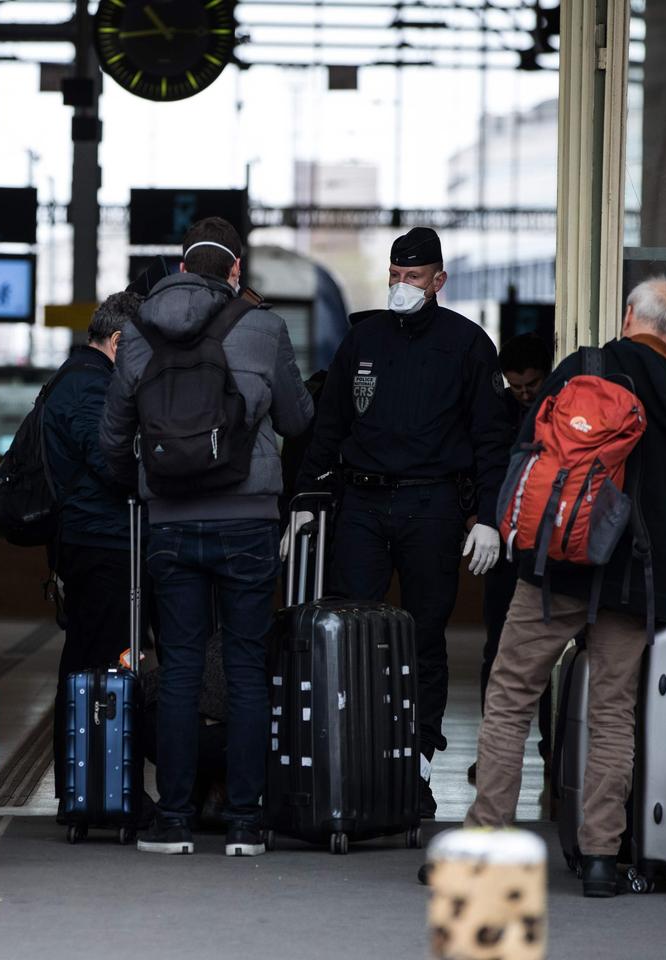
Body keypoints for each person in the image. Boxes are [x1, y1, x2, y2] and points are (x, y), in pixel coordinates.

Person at [462, 276, 666, 898]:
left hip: (560, 566)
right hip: (638, 579)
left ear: (627, 314)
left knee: (510, 697)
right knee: (612, 715)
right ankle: (602, 858)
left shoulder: (587, 367)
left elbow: (530, 454)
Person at [99, 216, 314, 857]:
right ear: (236, 270)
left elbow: (112, 433)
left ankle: (174, 820)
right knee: (248, 669)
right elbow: (298, 418)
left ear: (182, 266)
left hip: (169, 519)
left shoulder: (136, 332)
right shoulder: (265, 327)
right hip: (248, 518)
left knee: (183, 668)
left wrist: (136, 482)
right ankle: (246, 823)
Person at [291, 226, 515, 816]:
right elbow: (329, 425)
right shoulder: (362, 338)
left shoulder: (468, 346)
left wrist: (489, 517)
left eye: (412, 277)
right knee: (347, 631)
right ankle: (352, 759)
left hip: (433, 506)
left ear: (439, 281)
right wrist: (302, 501)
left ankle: (416, 761)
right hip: (362, 503)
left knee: (422, 639)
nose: (401, 285)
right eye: (394, 275)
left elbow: (493, 441)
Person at [42, 291, 139, 808]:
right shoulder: (90, 386)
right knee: (96, 664)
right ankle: (92, 792)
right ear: (119, 341)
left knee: (89, 662)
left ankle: (87, 790)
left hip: (88, 538)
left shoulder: (77, 377)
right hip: (98, 540)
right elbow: (109, 462)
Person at [472, 333, 554, 785]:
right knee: (498, 650)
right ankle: (494, 754)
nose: (524, 393)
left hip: (548, 545)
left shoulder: (560, 412)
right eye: (515, 385)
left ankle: (552, 749)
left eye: (532, 384)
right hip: (504, 546)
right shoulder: (497, 412)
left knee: (545, 654)